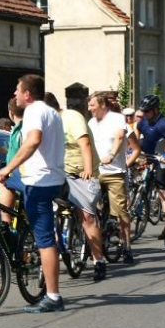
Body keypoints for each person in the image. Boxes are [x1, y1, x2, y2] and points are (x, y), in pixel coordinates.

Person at [0, 74, 66, 313]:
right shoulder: (51, 112)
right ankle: (14, 229)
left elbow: (33, 141)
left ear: (27, 94)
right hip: (49, 178)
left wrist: (8, 168)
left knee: (45, 241)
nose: (14, 94)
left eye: (17, 90)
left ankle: (53, 296)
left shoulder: (34, 111)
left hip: (40, 182)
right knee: (3, 184)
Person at [44, 93, 107, 281]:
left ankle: (99, 261)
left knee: (86, 217)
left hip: (81, 172)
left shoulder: (72, 117)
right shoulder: (47, 123)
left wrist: (87, 169)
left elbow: (84, 143)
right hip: (60, 172)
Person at [88, 93, 141, 264]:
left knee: (120, 211)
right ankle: (93, 246)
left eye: (92, 105)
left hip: (114, 173)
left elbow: (120, 138)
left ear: (103, 105)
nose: (89, 109)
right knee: (90, 210)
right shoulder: (91, 123)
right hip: (95, 173)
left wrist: (112, 156)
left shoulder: (118, 119)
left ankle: (126, 246)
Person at [136, 94, 165, 238]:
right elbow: (137, 130)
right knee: (140, 181)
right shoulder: (143, 121)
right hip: (149, 156)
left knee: (163, 191)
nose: (144, 113)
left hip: (163, 159)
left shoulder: (163, 124)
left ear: (155, 110)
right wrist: (135, 148)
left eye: (147, 111)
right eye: (143, 111)